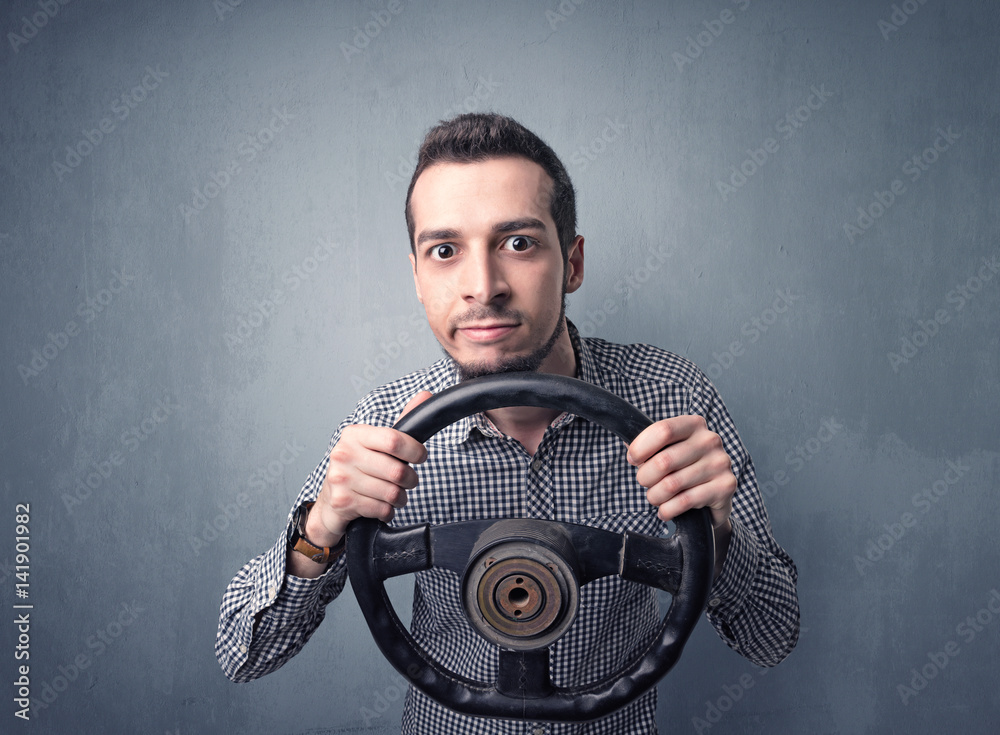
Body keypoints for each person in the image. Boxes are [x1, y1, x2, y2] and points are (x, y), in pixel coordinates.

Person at [216, 112, 799, 734]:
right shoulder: (386, 428)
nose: (482, 286)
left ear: (572, 263)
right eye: (445, 251)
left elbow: (771, 636)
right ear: (416, 276)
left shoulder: (670, 402)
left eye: (518, 243)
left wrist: (718, 532)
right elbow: (243, 655)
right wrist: (321, 530)